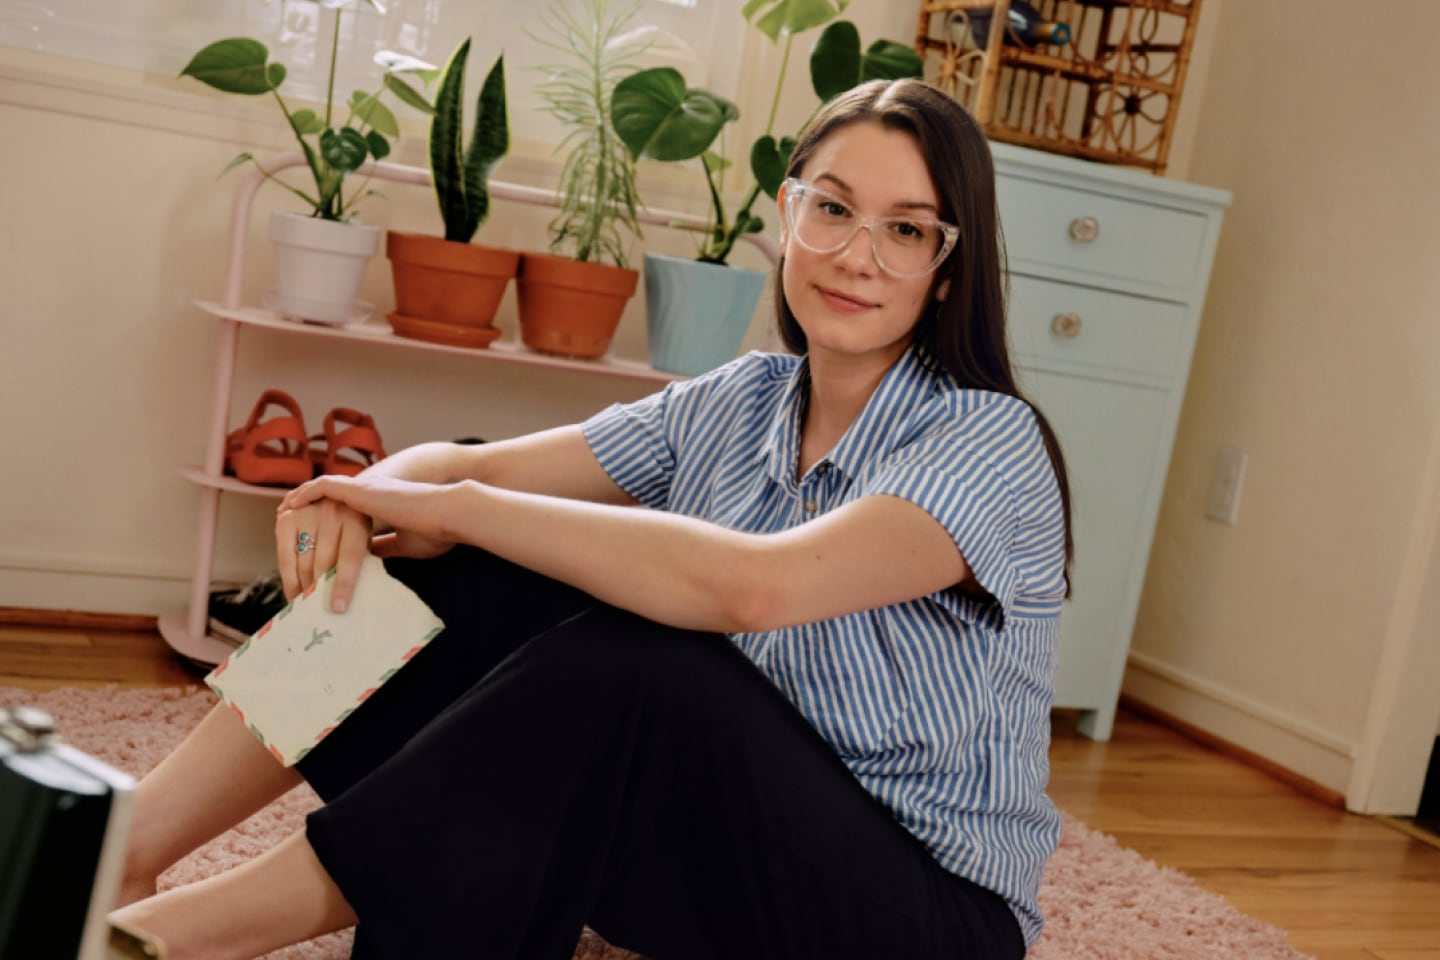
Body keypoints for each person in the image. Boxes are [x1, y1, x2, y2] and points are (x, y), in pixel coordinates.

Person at [110, 77, 1072, 960]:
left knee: (638, 666)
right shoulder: (742, 400)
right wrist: (368, 501)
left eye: (906, 231)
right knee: (465, 582)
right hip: (722, 848)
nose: (855, 255)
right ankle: (124, 849)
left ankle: (165, 939)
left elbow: (754, 585)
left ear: (949, 266)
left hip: (918, 914)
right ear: (788, 215)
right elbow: (465, 468)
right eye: (831, 209)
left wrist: (457, 505)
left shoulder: (987, 441)